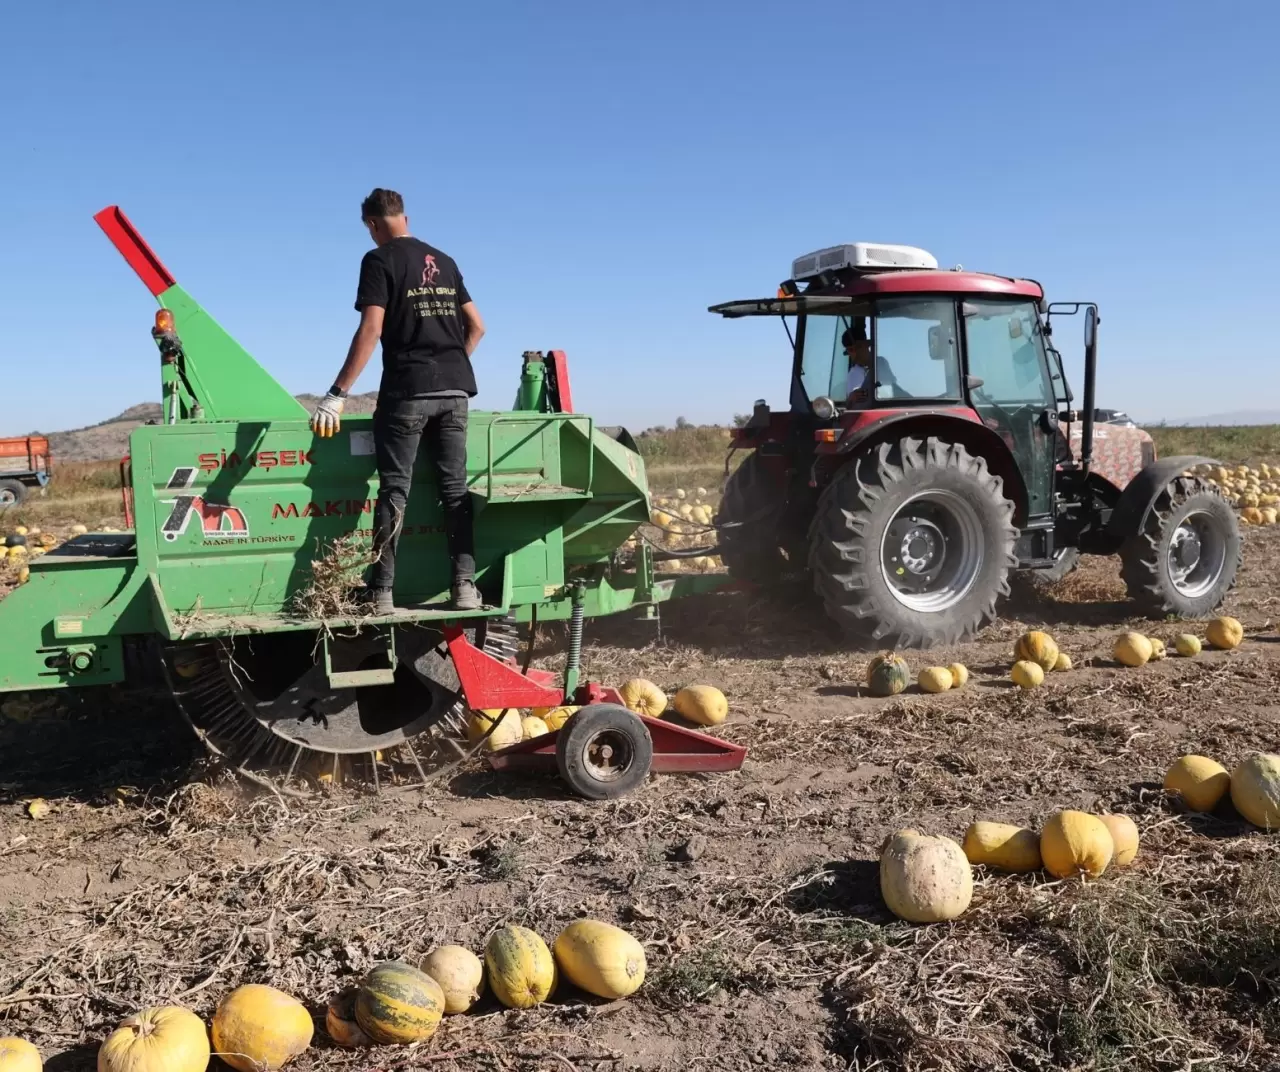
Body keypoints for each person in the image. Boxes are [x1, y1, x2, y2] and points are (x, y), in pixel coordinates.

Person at [310, 188, 486, 613]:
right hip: (455, 393)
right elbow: (478, 326)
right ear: (404, 217)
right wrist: (450, 368)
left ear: (372, 224)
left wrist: (337, 394)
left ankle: (382, 592)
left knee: (394, 491)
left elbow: (371, 330)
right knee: (455, 490)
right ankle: (464, 588)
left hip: (407, 391)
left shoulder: (378, 260)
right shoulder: (445, 260)